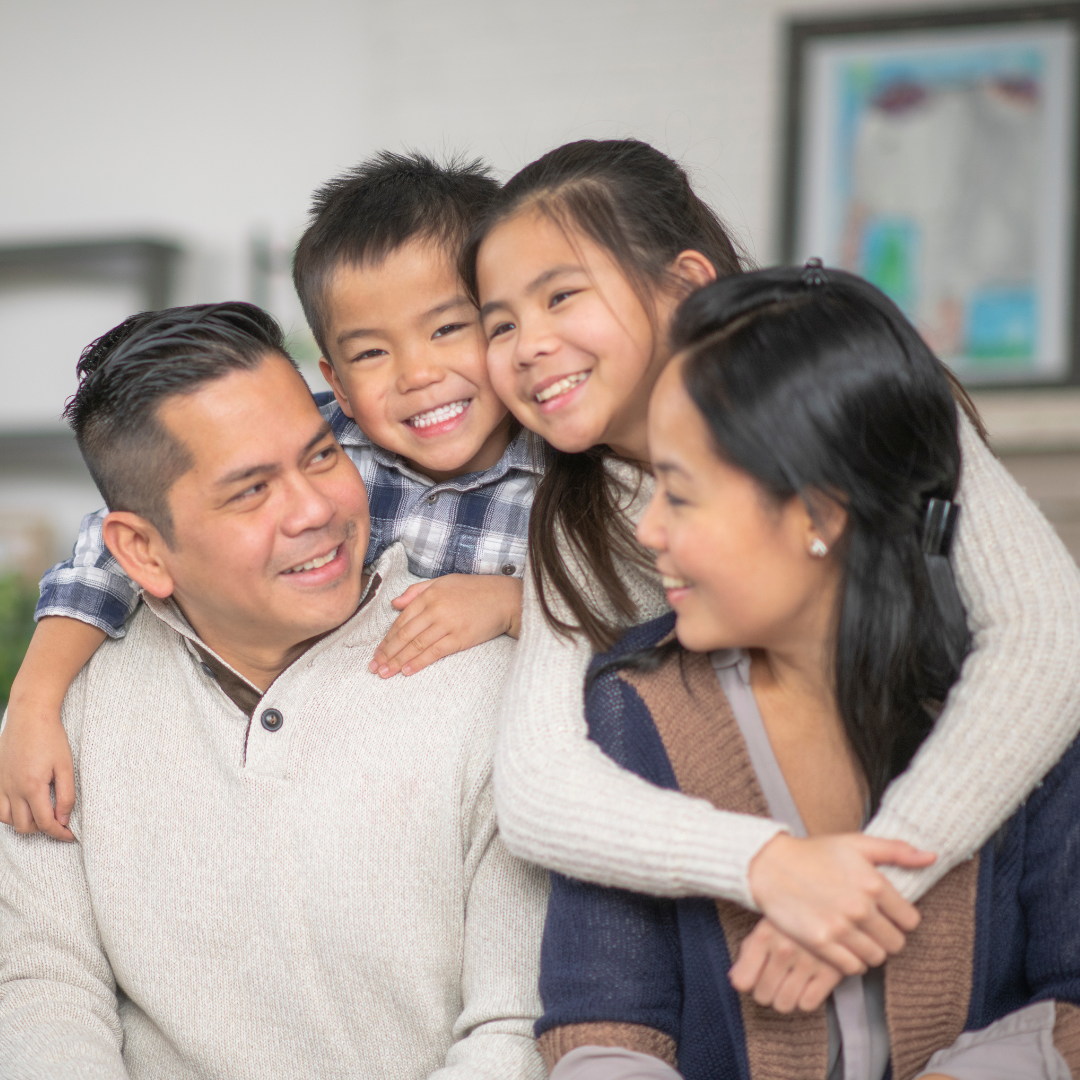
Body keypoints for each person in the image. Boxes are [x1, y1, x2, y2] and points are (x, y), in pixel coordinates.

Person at [462, 138, 1080, 1004]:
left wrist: (867, 882)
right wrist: (770, 867)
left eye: (561, 295)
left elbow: (1047, 639)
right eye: (499, 324)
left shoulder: (849, 385)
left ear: (684, 282)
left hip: (959, 884)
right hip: (739, 951)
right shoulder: (574, 521)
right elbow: (536, 789)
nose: (528, 346)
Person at [535, 266, 1080, 1080]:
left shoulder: (1022, 719)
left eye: (680, 496)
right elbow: (601, 1034)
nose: (647, 529)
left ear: (820, 515)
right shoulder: (631, 711)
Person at [0, 303, 548, 1079]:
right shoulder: (63, 717)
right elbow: (40, 986)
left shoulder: (495, 691)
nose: (315, 509)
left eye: (322, 456)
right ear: (142, 551)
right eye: (251, 491)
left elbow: (517, 1028)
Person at [0, 151, 541, 842]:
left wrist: (515, 604)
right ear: (337, 382)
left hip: (467, 800)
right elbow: (115, 544)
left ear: (503, 325)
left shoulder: (572, 477)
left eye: (446, 329)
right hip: (310, 780)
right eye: (372, 353)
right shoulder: (317, 440)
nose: (418, 374)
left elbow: (640, 617)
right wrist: (35, 700)